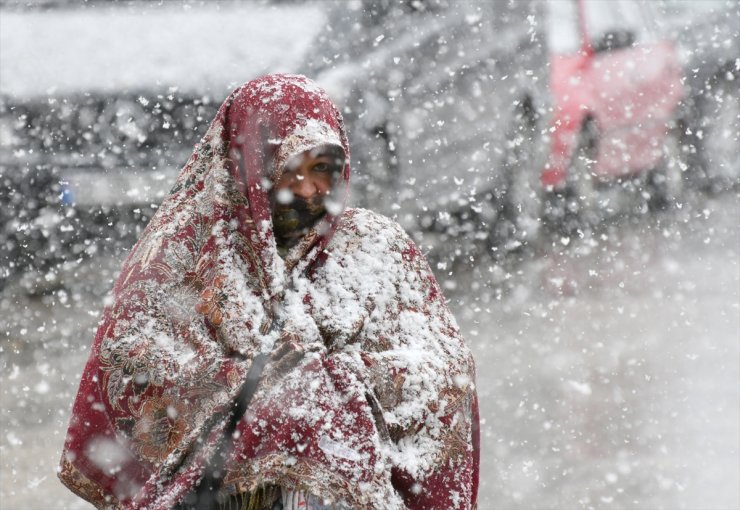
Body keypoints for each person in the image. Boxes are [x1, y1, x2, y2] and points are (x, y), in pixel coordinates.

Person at [58, 74, 479, 510]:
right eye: (291, 169)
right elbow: (131, 366)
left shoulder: (375, 248)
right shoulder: (183, 254)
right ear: (249, 165)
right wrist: (257, 388)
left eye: (323, 170)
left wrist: (339, 383)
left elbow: (446, 369)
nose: (309, 189)